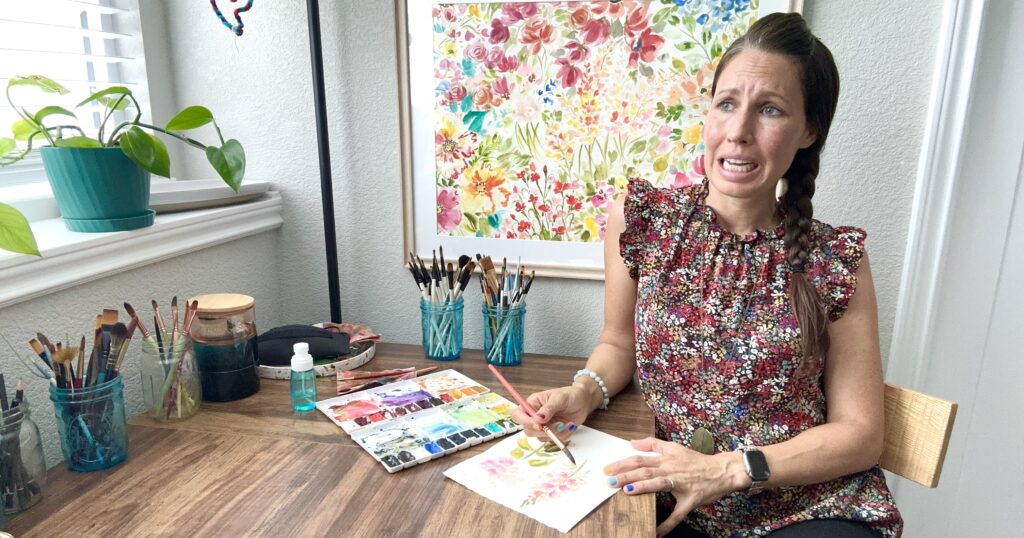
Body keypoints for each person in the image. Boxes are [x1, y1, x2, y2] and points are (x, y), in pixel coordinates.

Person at [510, 12, 903, 538]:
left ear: (809, 130)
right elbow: (617, 343)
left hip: (803, 508)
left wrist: (727, 469)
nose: (738, 133)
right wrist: (582, 392)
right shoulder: (643, 220)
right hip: (672, 499)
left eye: (769, 110)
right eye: (726, 103)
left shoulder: (836, 258)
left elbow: (860, 435)